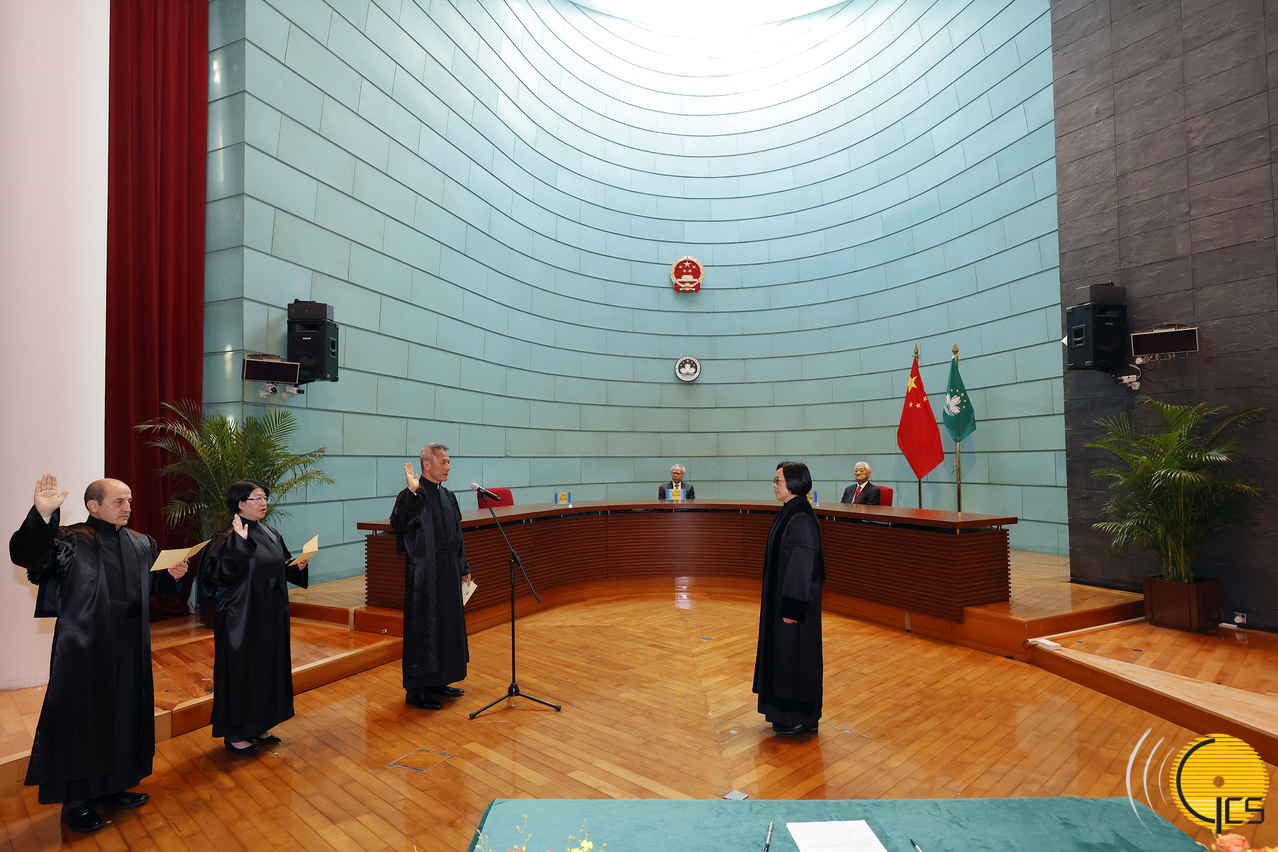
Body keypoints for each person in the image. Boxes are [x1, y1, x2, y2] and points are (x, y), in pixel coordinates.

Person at [9, 475, 187, 833]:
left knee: (125, 710)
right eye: (119, 501)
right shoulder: (71, 539)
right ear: (94, 505)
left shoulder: (141, 542)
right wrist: (42, 517)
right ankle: (77, 801)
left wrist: (173, 574)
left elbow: (154, 584)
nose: (128, 507)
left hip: (131, 643)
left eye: (129, 500)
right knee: (84, 716)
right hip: (85, 644)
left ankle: (114, 785)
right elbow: (29, 556)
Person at [200, 480, 308, 756]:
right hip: (241, 616)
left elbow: (277, 567)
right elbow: (216, 575)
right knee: (242, 672)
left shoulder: (269, 532)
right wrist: (239, 542)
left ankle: (260, 724)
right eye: (257, 498)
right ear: (240, 504)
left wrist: (296, 567)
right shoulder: (225, 537)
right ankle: (236, 733)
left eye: (265, 498)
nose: (263, 503)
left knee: (267, 668)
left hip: (269, 614)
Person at [390, 443, 473, 710]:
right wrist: (413, 493)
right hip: (425, 574)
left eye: (448, 462)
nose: (449, 467)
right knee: (424, 630)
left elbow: (457, 535)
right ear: (427, 464)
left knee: (447, 626)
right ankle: (417, 690)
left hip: (448, 570)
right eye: (444, 462)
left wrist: (463, 566)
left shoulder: (448, 495)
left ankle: (440, 680)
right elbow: (398, 525)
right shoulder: (412, 494)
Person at [753, 461, 824, 736]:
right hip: (782, 599)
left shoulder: (801, 518)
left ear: (793, 483)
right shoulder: (789, 511)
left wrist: (792, 607)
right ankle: (783, 712)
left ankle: (800, 717)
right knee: (784, 657)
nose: (774, 485)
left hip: (794, 605)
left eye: (778, 480)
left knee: (795, 656)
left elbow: (801, 565)